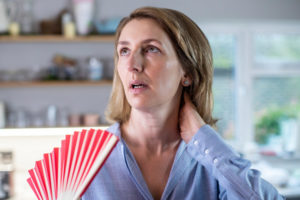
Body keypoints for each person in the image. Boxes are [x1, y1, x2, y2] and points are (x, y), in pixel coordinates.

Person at [82, 6, 284, 200]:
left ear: (186, 72)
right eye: (124, 51)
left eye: (151, 49)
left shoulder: (212, 160)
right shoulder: (85, 160)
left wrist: (203, 139)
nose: (132, 65)